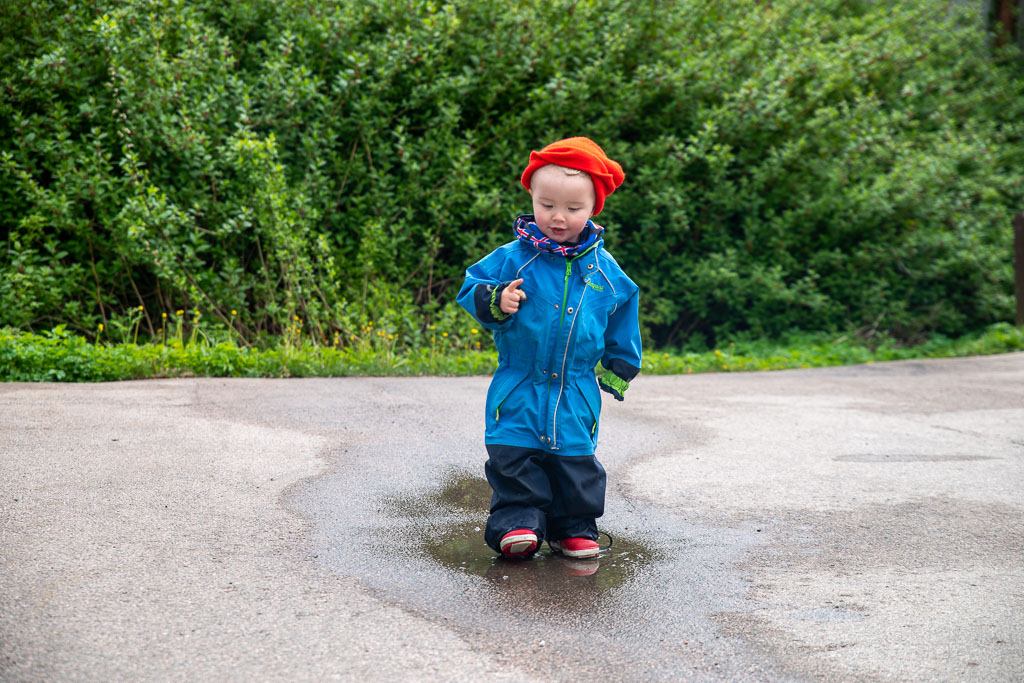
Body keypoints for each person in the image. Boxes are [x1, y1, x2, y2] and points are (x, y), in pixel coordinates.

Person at [456, 137, 642, 560]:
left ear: (593, 208)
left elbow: (624, 315)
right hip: (518, 383)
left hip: (575, 389)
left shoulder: (606, 272)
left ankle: (573, 527)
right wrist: (497, 298)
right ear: (532, 199)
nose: (558, 217)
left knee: (575, 463)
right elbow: (471, 286)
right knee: (514, 457)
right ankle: (518, 523)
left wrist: (620, 366)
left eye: (573, 208)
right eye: (547, 205)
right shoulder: (512, 258)